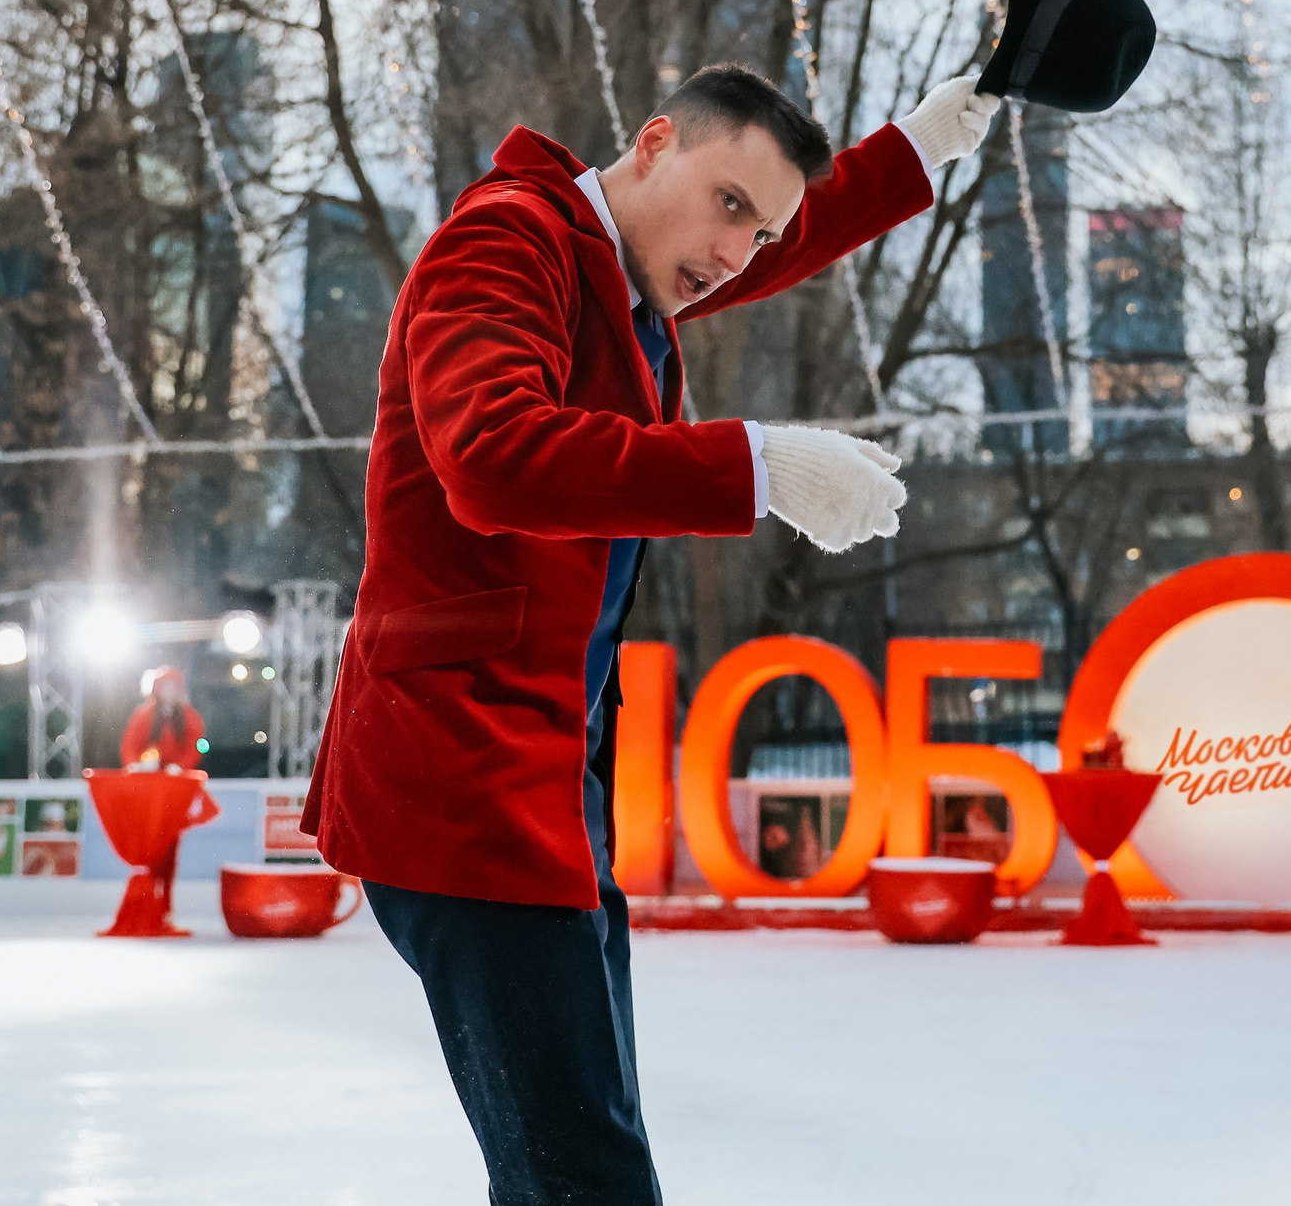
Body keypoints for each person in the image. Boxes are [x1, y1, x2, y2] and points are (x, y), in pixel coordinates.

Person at [305, 64, 1000, 1203]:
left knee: (574, 1163)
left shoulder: (622, 282)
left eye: (761, 230)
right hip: (457, 786)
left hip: (542, 791)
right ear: (653, 142)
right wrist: (757, 463)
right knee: (586, 1177)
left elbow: (785, 223)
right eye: (730, 205)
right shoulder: (506, 245)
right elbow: (489, 456)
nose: (741, 253)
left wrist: (925, 142)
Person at [121, 665, 206, 773]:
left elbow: (194, 747)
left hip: (178, 774)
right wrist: (133, 763)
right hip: (146, 772)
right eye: (166, 686)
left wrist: (181, 766)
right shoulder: (144, 714)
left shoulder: (190, 716)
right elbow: (130, 743)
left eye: (173, 687)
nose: (170, 691)